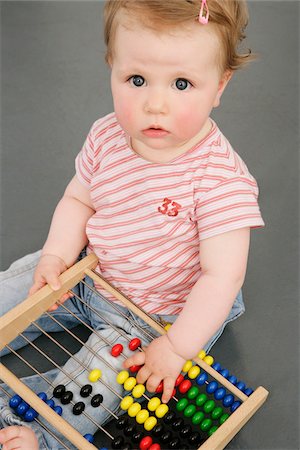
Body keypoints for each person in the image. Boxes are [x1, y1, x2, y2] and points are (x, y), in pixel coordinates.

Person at [0, 0, 264, 448]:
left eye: (182, 83)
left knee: (93, 384)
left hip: (155, 315)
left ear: (219, 85)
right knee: (14, 289)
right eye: (136, 80)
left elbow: (223, 276)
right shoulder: (107, 135)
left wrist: (178, 348)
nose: (154, 103)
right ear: (112, 67)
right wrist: (56, 255)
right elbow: (77, 198)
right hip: (85, 275)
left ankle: (38, 434)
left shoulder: (219, 179)